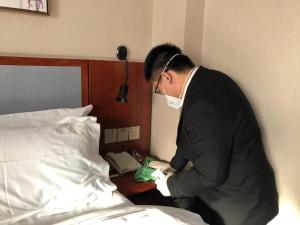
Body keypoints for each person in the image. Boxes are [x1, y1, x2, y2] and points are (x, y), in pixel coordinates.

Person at [144, 43, 278, 225]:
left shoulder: (203, 104)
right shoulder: (208, 81)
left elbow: (210, 175)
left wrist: (170, 186)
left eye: (159, 90)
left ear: (166, 77)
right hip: (245, 189)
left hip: (243, 203)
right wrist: (173, 166)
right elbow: (189, 137)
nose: (163, 93)